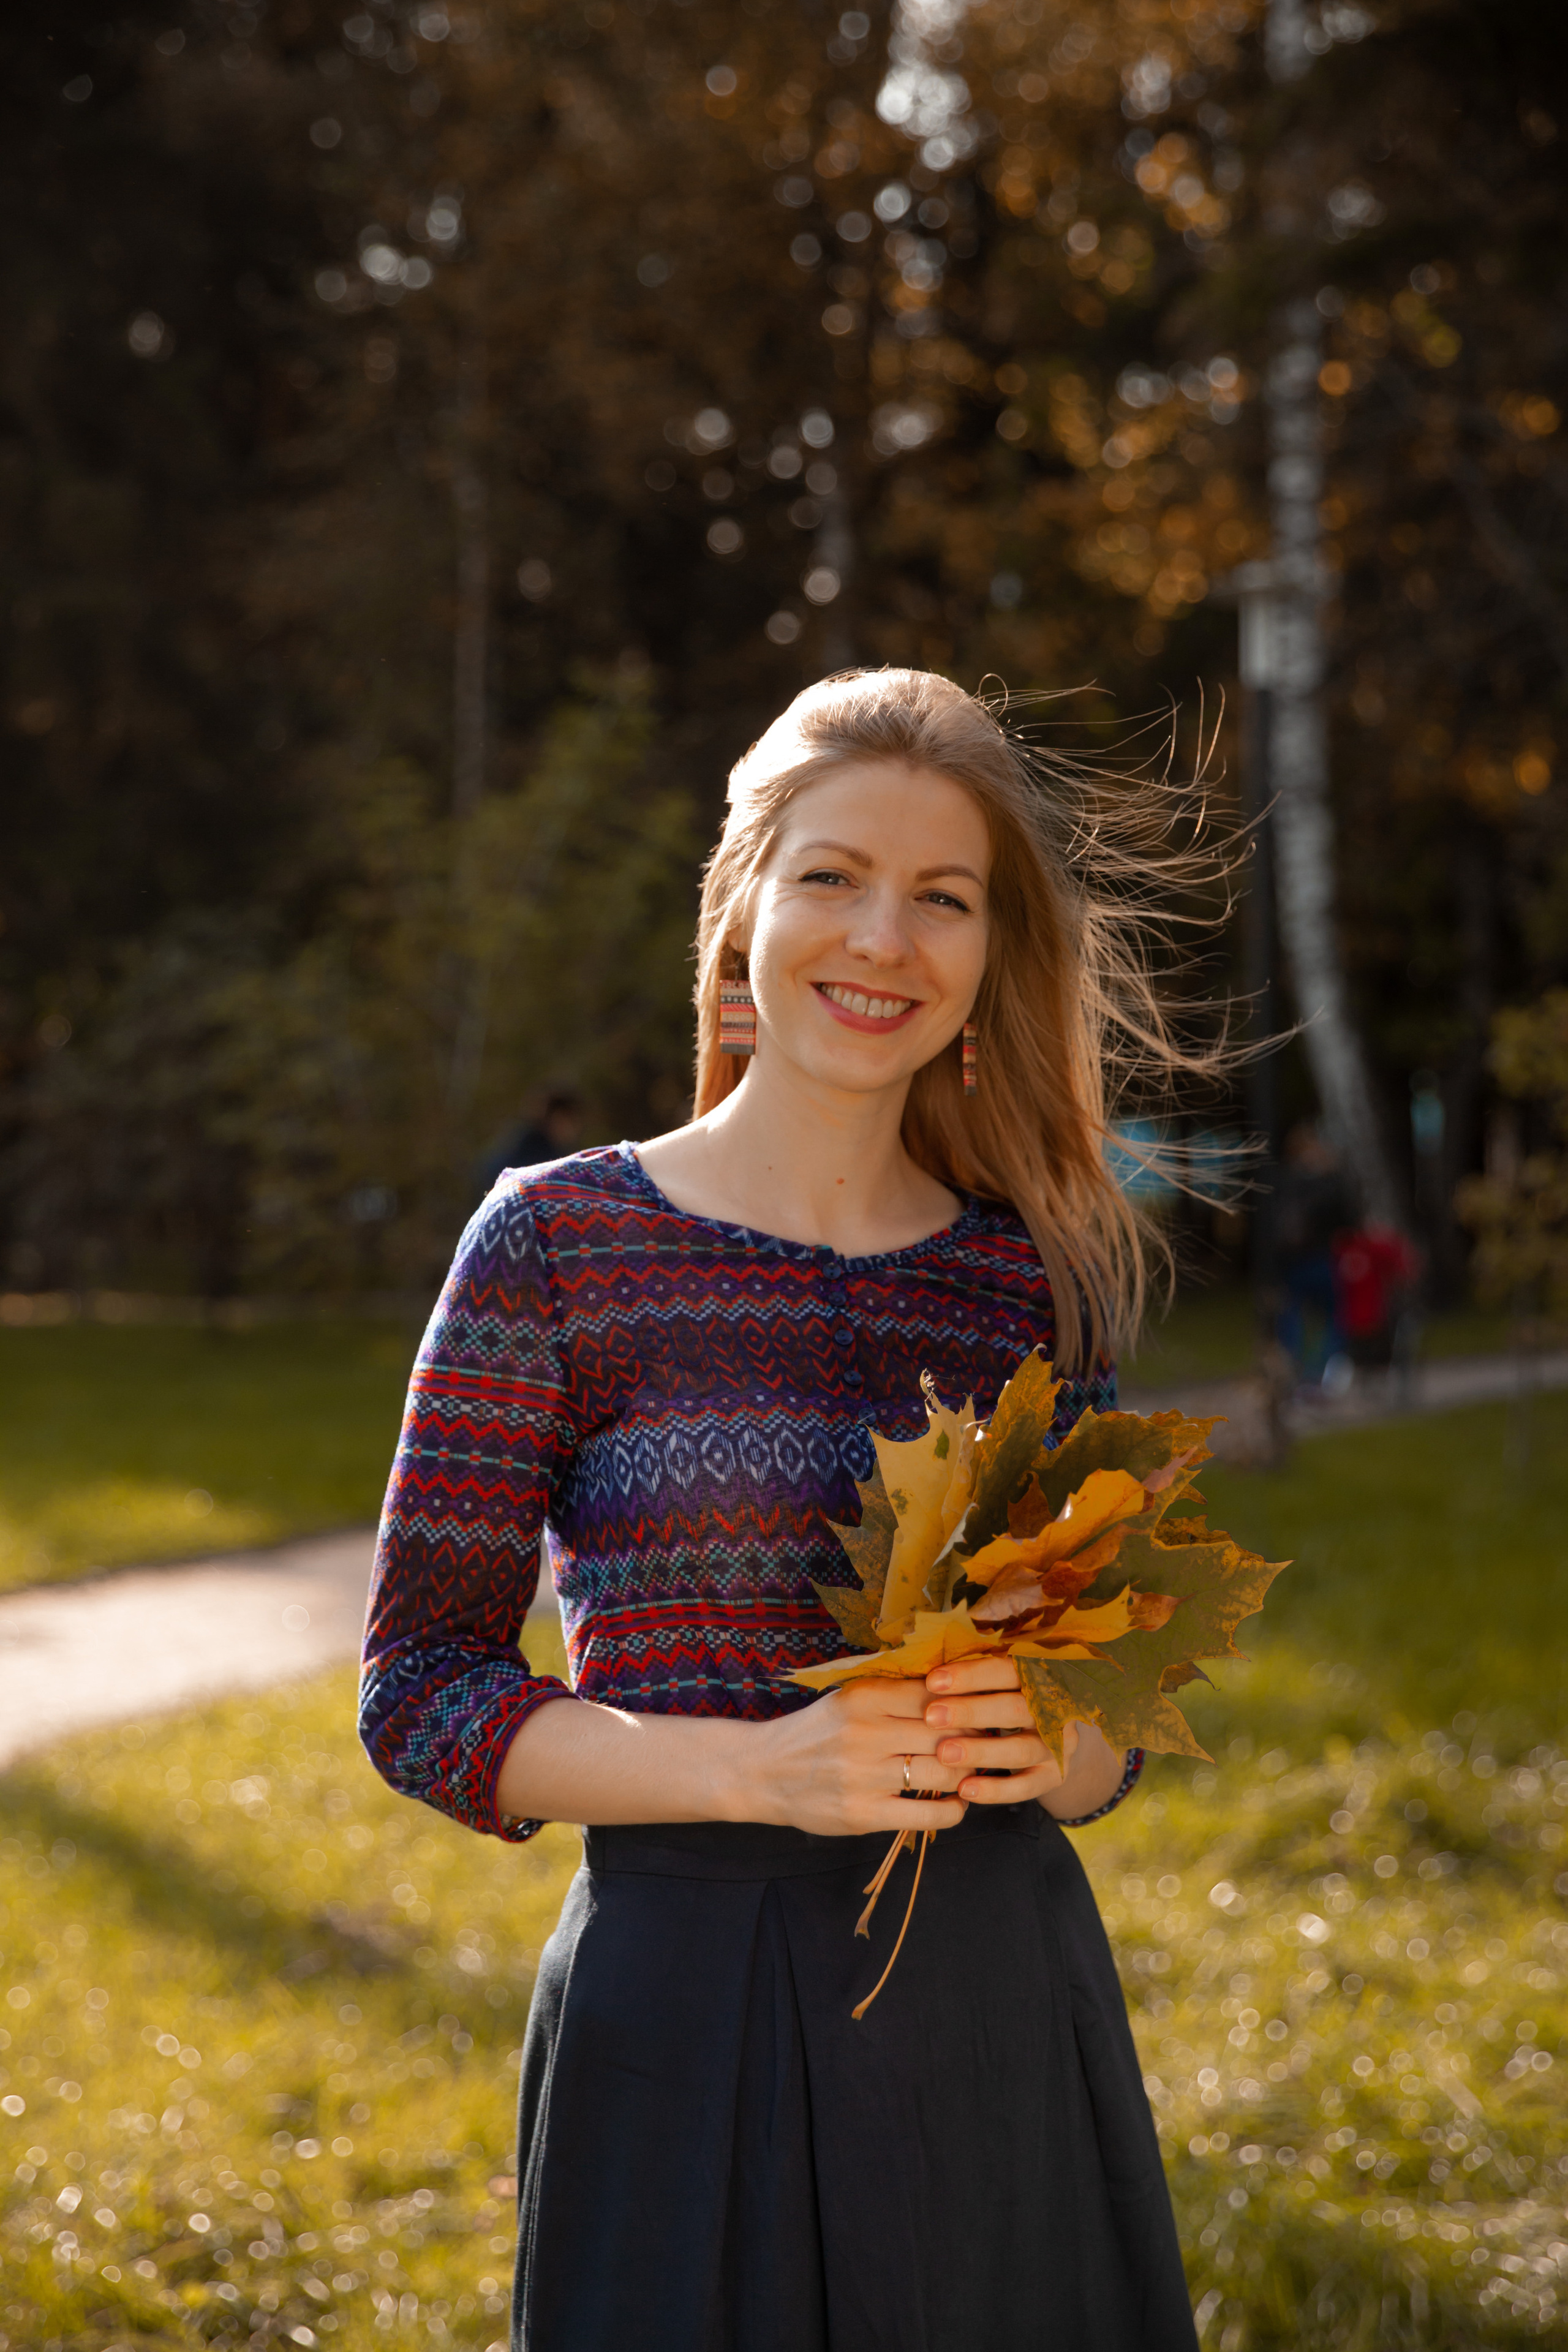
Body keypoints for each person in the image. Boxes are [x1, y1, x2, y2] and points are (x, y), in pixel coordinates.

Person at [361, 669, 1212, 2351]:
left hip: (994, 2020)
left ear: (989, 955)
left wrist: (1053, 1744)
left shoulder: (1031, 1277)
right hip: (681, 2021)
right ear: (744, 901)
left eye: (943, 896)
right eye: (833, 875)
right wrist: (753, 1772)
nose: (882, 938)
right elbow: (420, 1691)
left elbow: (1108, 1729)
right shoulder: (555, 1244)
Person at [472, 1085, 583, 1200]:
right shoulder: (543, 1159)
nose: (574, 1129)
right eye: (570, 1121)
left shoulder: (520, 1143)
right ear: (556, 1117)